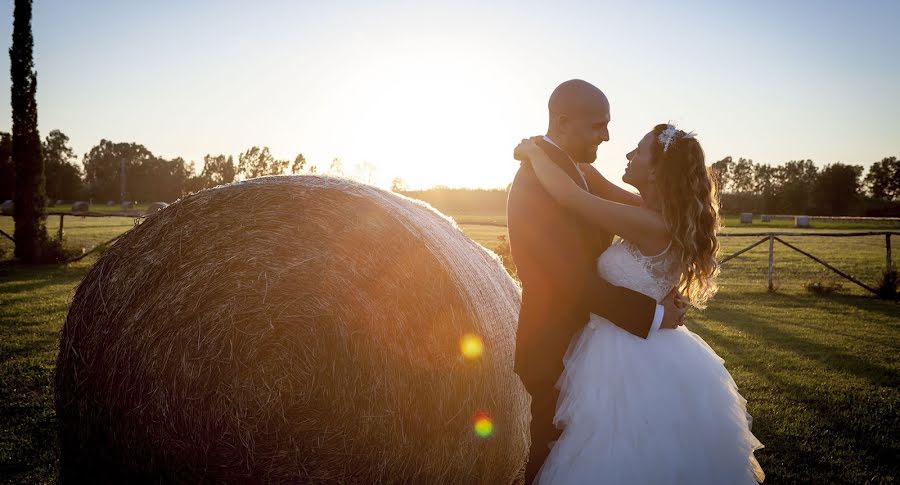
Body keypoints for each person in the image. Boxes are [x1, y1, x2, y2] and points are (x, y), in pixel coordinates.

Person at [515, 123, 765, 484]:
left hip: (625, 353)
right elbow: (594, 183)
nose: (628, 155)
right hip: (643, 342)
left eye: (638, 150)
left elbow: (572, 198)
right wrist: (570, 155)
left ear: (656, 170)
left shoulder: (650, 223)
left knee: (616, 449)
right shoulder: (661, 216)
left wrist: (535, 152)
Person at [506, 79, 687, 483]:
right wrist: (655, 314)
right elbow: (570, 279)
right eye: (598, 126)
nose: (607, 136)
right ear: (564, 122)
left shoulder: (576, 171)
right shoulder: (536, 180)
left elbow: (629, 206)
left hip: (593, 347)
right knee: (553, 460)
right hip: (554, 347)